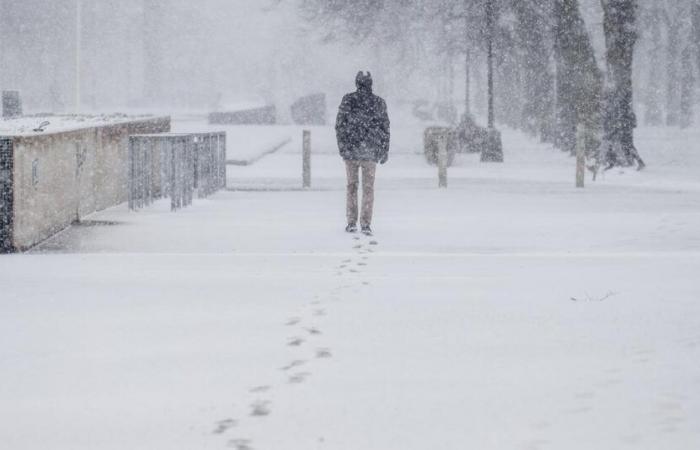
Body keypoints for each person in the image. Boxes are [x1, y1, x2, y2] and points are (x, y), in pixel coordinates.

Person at [335, 71, 390, 236]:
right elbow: (385, 128)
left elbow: (340, 125)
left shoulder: (348, 100)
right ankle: (365, 223)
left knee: (351, 187)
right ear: (371, 83)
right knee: (368, 189)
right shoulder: (378, 102)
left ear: (356, 83)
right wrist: (384, 149)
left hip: (351, 152)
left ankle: (351, 222)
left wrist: (343, 147)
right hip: (370, 152)